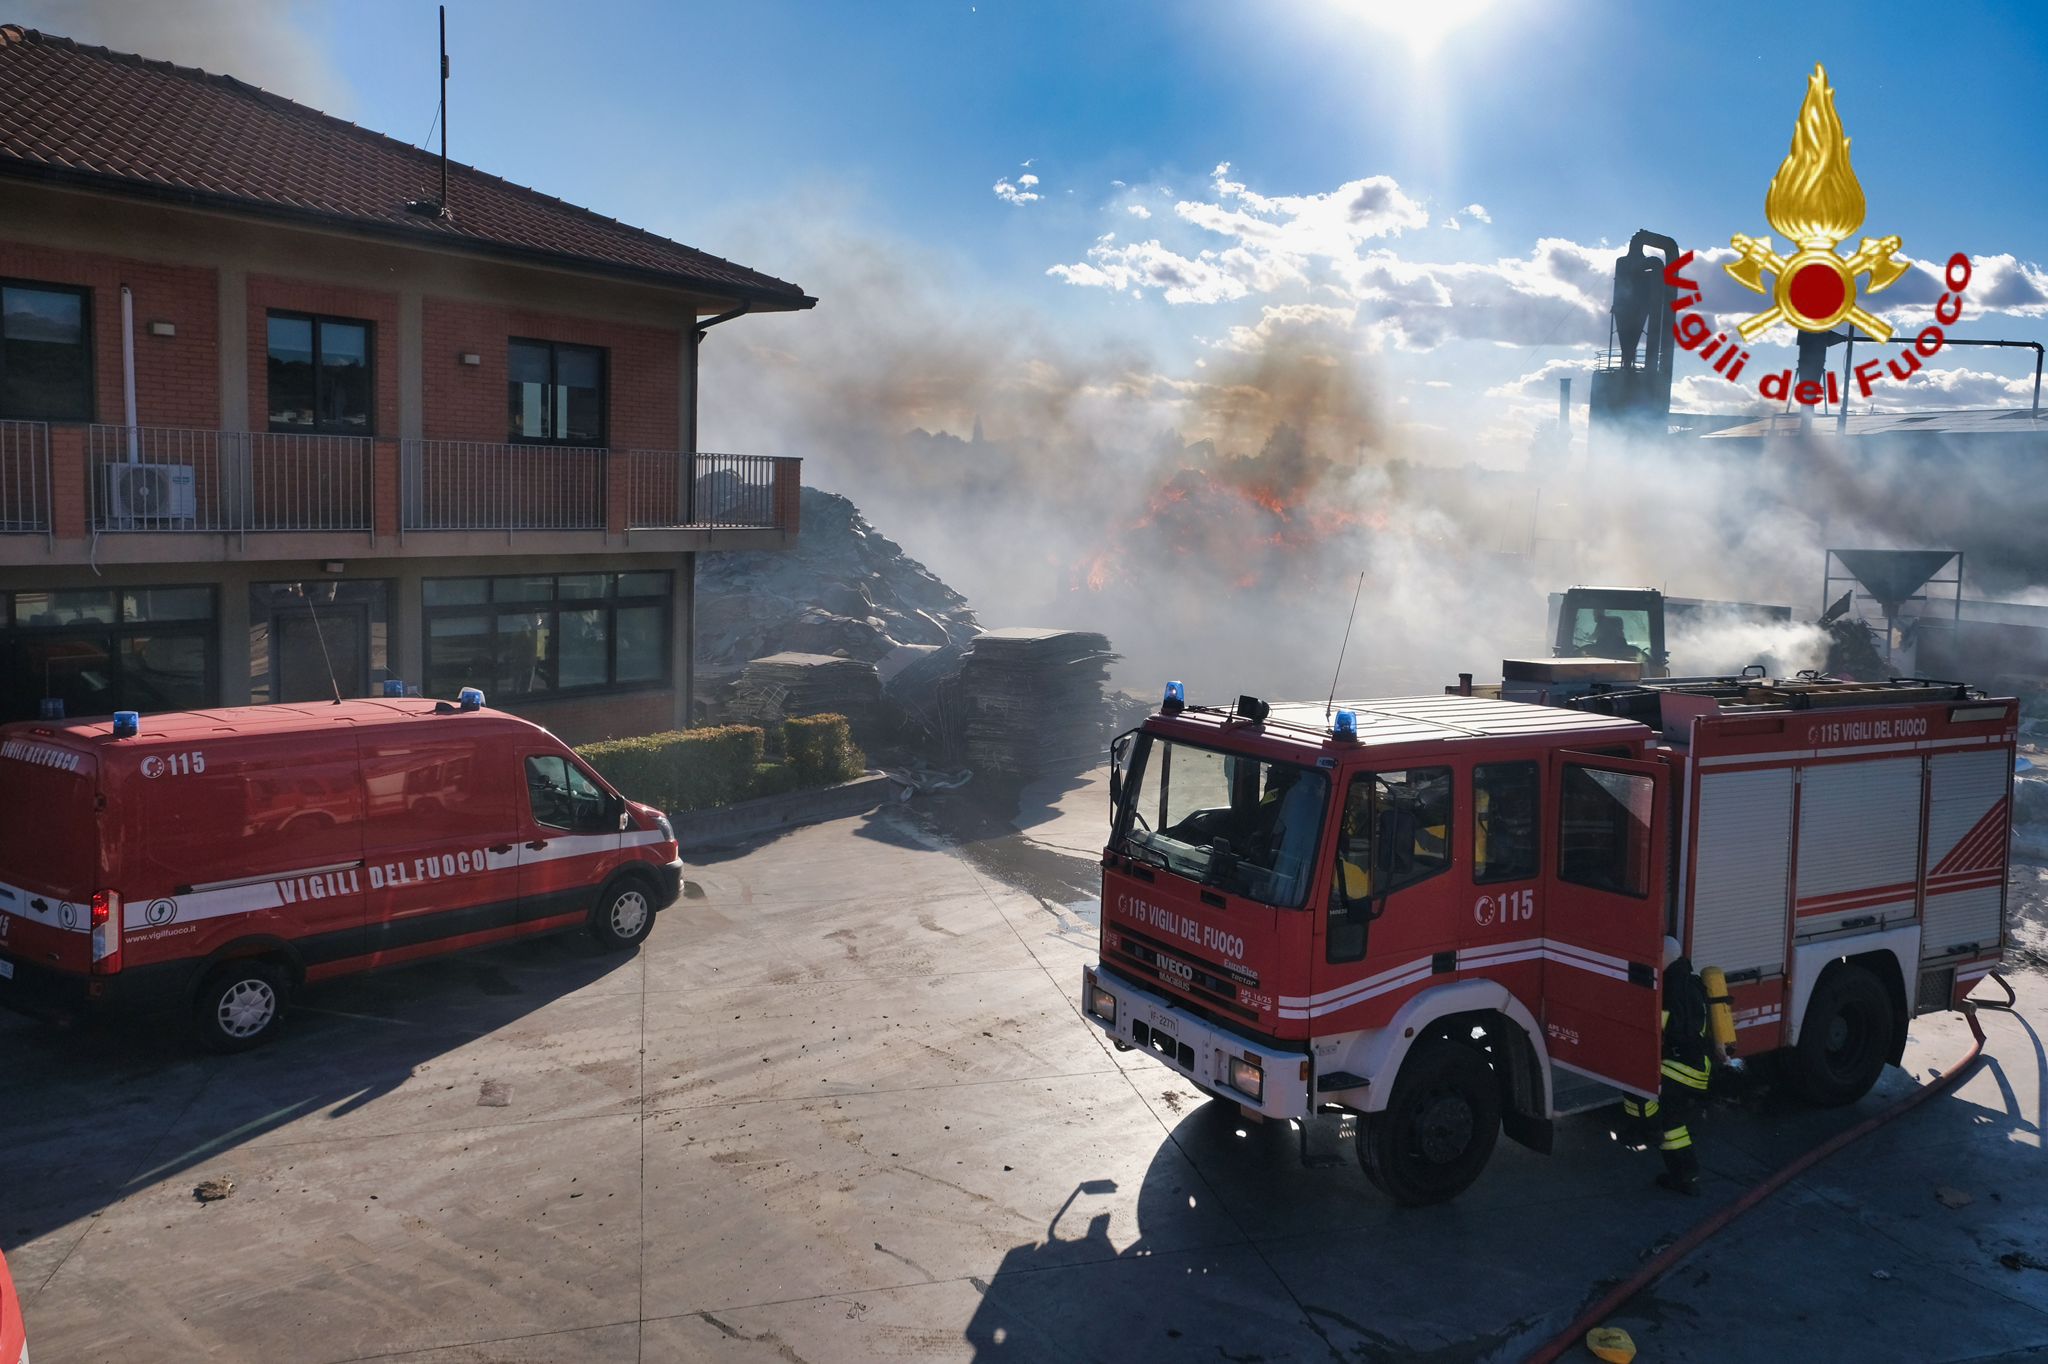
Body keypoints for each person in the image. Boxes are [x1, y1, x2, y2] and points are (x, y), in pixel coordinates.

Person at [1621, 937, 1716, 1195]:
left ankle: (1646, 1130)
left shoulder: (1674, 988)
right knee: (1673, 1123)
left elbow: (1672, 1029)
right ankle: (1685, 1176)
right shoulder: (1688, 980)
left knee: (1636, 1081)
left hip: (1686, 1069)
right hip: (1695, 1066)